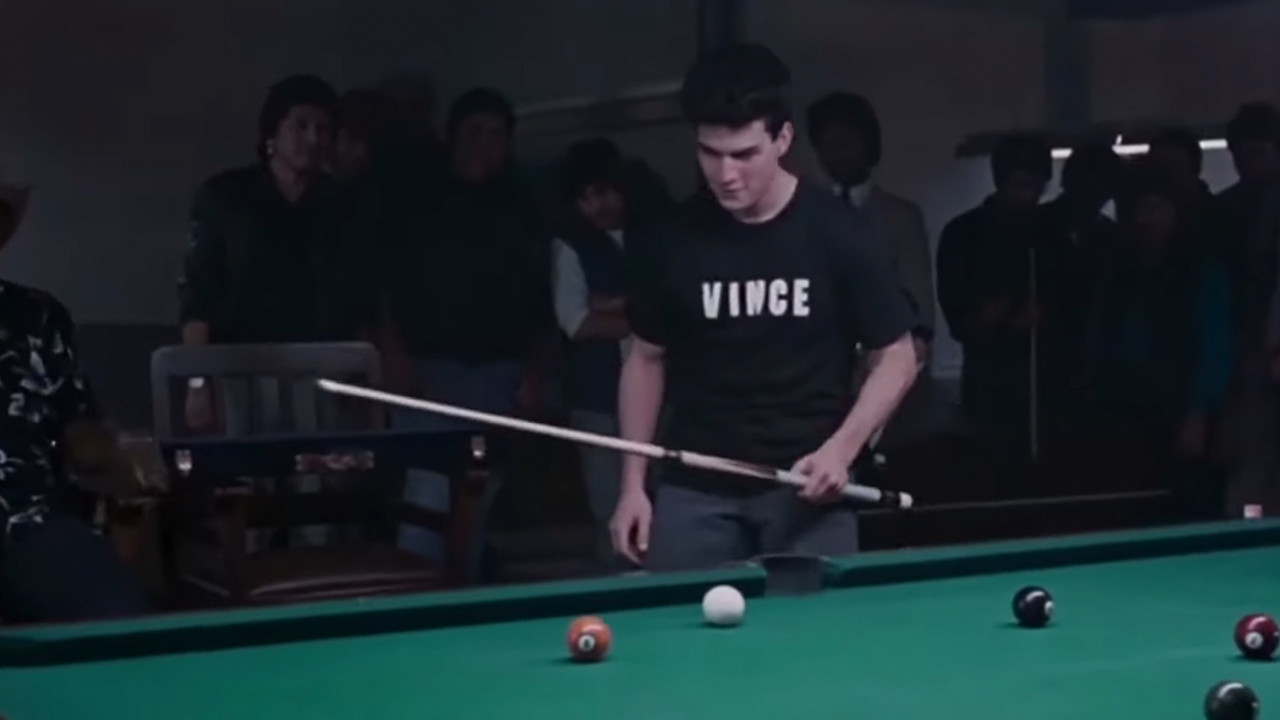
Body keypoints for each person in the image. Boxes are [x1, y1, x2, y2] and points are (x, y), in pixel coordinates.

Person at [609, 44, 918, 571]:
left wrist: (841, 452)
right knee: (678, 645)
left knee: (814, 651)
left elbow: (898, 355)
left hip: (810, 491)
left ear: (782, 140)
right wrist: (632, 486)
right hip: (695, 490)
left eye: (744, 154)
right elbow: (645, 358)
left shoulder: (840, 233)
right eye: (710, 152)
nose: (725, 174)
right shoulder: (673, 239)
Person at [378, 87, 554, 579]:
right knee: (425, 501)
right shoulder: (414, 200)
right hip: (426, 375)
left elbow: (543, 301)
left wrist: (535, 372)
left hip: (497, 374)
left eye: (497, 136)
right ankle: (413, 617)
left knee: (476, 505)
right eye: (475, 133)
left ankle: (463, 615)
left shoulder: (523, 206)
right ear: (450, 137)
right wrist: (393, 356)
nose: (485, 145)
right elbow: (380, 286)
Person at [179, 75, 374, 432]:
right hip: (237, 370)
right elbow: (199, 299)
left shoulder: (342, 206)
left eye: (323, 129)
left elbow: (357, 302)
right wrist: (197, 384)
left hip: (323, 374)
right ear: (273, 133)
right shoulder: (226, 197)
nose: (313, 139)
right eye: (300, 126)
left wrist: (363, 386)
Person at [0, 193, 162, 623]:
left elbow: (78, 427)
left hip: (30, 520)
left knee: (118, 615)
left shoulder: (38, 315)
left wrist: (121, 455)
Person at [1080, 166, 1231, 520]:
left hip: (1181, 404)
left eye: (1160, 206)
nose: (1151, 217)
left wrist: (1198, 411)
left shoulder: (1200, 268)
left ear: (1176, 213)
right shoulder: (1116, 268)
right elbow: (1096, 336)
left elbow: (1215, 346)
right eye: (1142, 208)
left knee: (1186, 502)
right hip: (1121, 402)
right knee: (1129, 504)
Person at [807, 91, 945, 448]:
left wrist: (896, 369)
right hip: (816, 383)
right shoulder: (803, 215)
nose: (838, 153)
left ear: (871, 146)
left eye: (847, 142)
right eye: (829, 144)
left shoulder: (901, 217)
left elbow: (919, 309)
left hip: (891, 377)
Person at [936, 134, 1069, 452]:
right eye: (1020, 184)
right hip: (989, 387)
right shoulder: (963, 234)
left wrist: (1048, 315)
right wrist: (1000, 318)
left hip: (1052, 387)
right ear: (999, 180)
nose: (1029, 195)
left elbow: (1074, 301)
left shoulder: (1053, 233)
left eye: (1037, 185)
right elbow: (958, 317)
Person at [550, 139, 637, 567]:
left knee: (659, 497)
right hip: (596, 397)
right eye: (585, 197)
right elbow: (577, 322)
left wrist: (614, 304)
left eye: (604, 192)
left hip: (661, 397)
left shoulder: (656, 234)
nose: (597, 205)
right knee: (608, 505)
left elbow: (674, 308)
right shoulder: (570, 245)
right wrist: (638, 316)